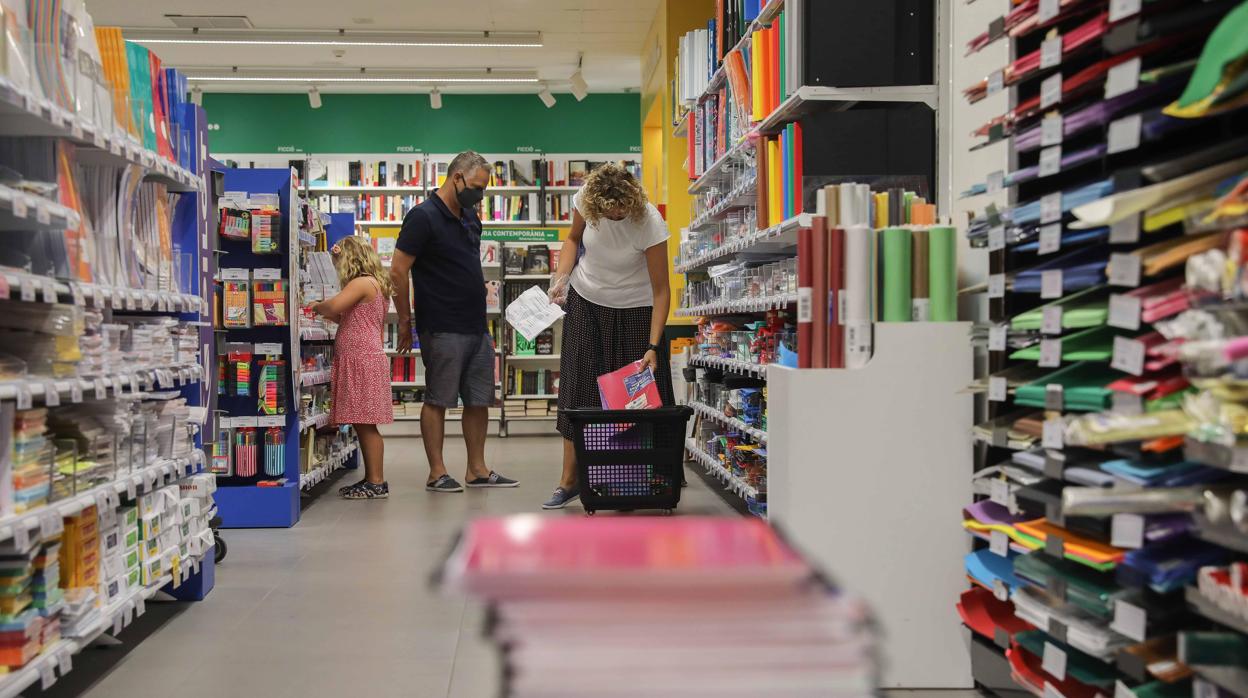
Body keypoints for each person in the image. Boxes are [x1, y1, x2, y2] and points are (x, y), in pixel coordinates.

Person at [543, 163, 675, 510]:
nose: (615, 214)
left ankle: (638, 476)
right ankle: (569, 479)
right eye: (608, 210)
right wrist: (561, 276)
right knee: (578, 387)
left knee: (636, 394)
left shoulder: (648, 221)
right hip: (587, 300)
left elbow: (662, 290)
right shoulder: (585, 201)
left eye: (620, 209)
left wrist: (653, 345)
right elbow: (573, 239)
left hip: (637, 308)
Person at [389, 150, 519, 493]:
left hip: (477, 325)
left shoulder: (470, 215)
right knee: (438, 399)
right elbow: (398, 271)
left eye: (485, 189)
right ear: (456, 177)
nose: (481, 194)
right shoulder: (422, 217)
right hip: (441, 324)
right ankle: (437, 472)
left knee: (479, 400)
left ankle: (477, 469)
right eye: (477, 186)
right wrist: (405, 320)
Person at [311, 236, 394, 499]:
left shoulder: (361, 282)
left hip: (361, 358)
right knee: (362, 423)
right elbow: (347, 316)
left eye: (338, 262)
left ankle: (376, 482)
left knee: (365, 424)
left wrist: (316, 305)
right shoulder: (374, 284)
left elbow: (334, 306)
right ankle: (372, 479)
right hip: (362, 356)